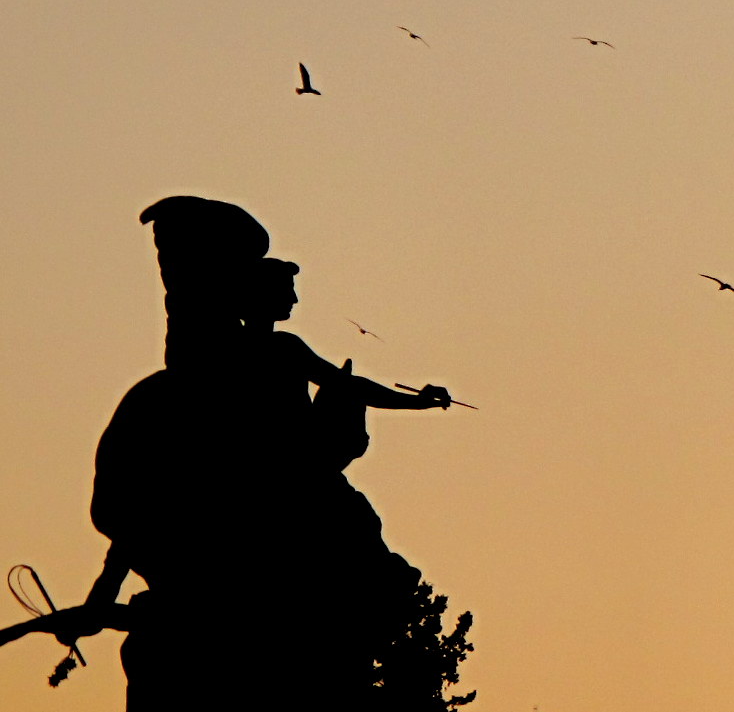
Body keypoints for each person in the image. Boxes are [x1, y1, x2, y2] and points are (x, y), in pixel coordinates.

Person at [47, 199, 457, 709]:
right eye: (286, 293)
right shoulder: (231, 371)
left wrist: (414, 400)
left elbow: (350, 387)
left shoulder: (284, 357)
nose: (294, 303)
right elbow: (150, 509)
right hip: (243, 500)